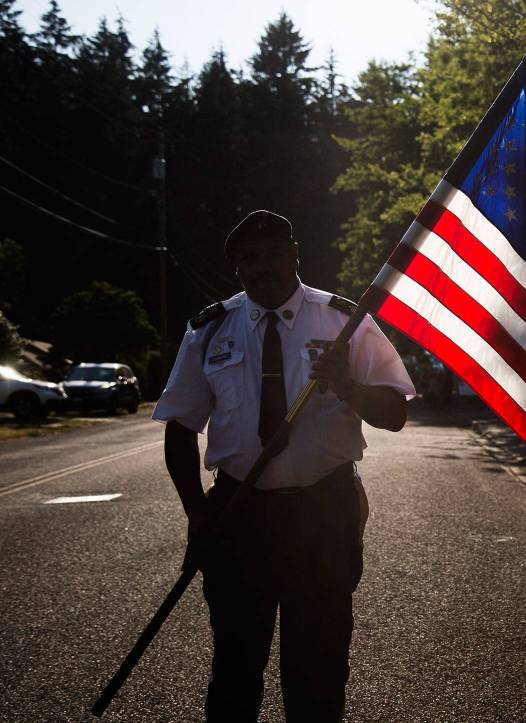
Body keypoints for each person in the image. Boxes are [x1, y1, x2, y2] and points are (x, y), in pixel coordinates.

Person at [153, 210, 415, 721]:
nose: (261, 267)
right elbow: (180, 428)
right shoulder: (210, 329)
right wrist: (197, 515)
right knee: (234, 667)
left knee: (317, 670)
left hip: (323, 513)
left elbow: (396, 415)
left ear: (295, 254)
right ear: (236, 269)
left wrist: (348, 385)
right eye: (247, 259)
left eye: (272, 253)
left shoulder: (344, 322)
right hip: (238, 514)